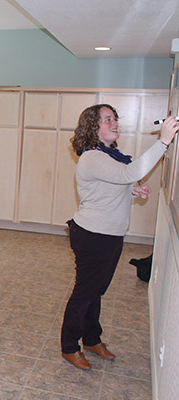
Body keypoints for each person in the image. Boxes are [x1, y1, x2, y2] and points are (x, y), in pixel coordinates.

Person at [60, 104, 179, 370]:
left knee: (96, 291)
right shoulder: (93, 157)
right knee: (84, 292)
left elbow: (116, 182)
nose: (114, 124)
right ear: (93, 128)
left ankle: (91, 339)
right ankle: (69, 347)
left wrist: (131, 192)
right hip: (92, 235)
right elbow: (129, 173)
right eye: (107, 120)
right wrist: (164, 141)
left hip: (109, 234)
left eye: (115, 119)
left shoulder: (110, 154)